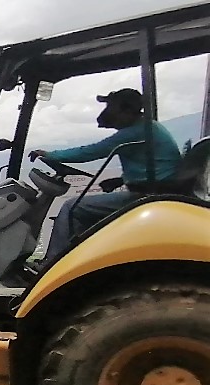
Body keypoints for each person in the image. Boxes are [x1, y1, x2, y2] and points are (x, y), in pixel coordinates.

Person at [31, 87, 182, 262]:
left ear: (127, 110)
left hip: (148, 195)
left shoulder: (134, 133)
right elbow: (156, 166)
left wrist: (50, 155)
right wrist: (120, 180)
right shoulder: (147, 128)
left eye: (112, 107)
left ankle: (51, 263)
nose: (107, 112)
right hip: (158, 191)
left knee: (71, 208)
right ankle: (79, 257)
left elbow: (90, 152)